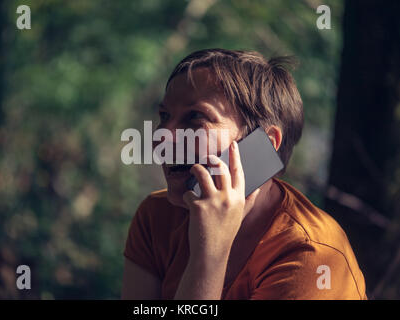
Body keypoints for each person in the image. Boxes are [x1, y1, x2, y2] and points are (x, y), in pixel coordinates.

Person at [121, 48, 367, 300]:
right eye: (165, 116)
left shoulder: (310, 256)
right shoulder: (156, 217)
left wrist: (211, 252)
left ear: (265, 144)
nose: (162, 137)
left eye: (195, 117)